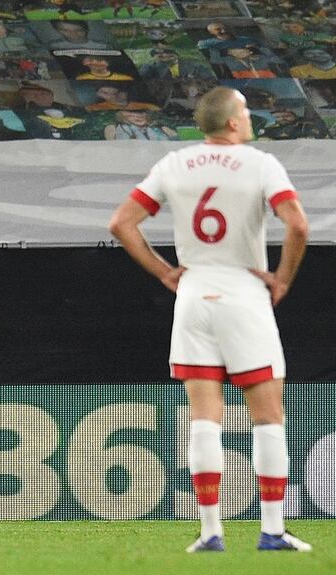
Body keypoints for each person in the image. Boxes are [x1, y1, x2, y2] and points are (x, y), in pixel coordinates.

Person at [108, 86, 312, 554]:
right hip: (243, 292)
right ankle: (272, 530)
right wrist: (282, 279)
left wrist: (164, 271)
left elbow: (121, 223)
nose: (251, 118)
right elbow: (298, 224)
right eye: (247, 111)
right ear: (234, 121)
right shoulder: (260, 164)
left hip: (194, 294)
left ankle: (210, 532)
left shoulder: (174, 163)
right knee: (268, 417)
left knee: (203, 418)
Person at [138, 48, 216, 80]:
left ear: (176, 55)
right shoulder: (149, 68)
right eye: (159, 54)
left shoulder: (195, 66)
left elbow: (210, 79)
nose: (164, 55)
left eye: (167, 52)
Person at [103, 110, 179, 140]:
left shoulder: (162, 128)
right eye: (130, 116)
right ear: (123, 119)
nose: (137, 117)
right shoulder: (116, 128)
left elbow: (178, 141)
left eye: (140, 114)